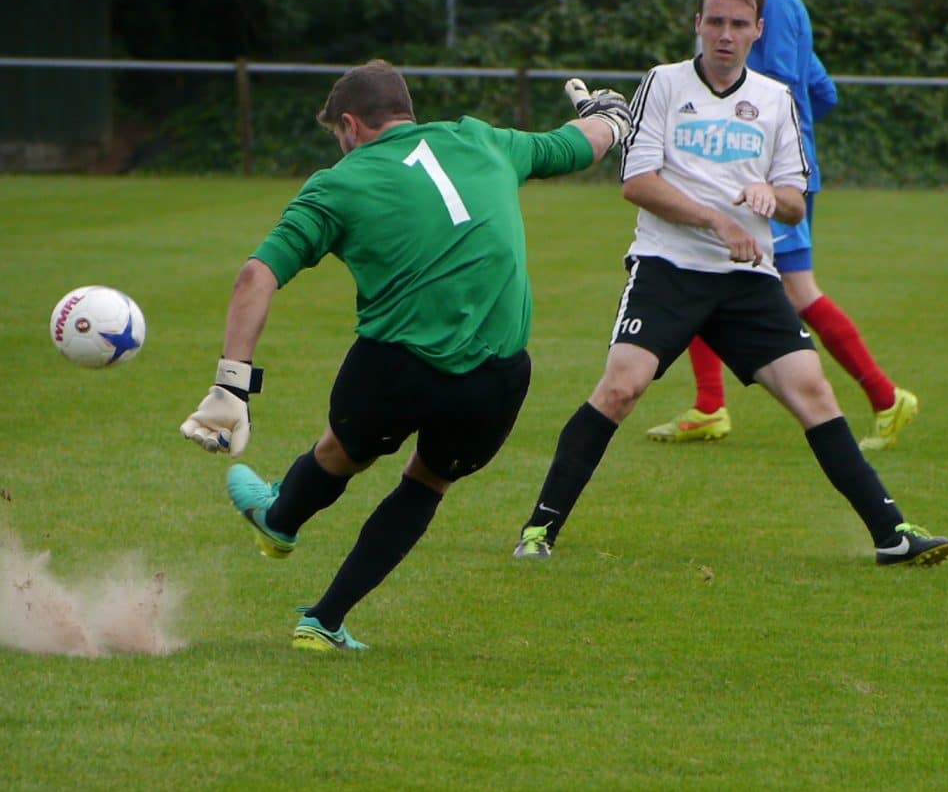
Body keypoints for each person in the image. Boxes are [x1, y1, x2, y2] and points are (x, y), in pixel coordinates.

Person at [180, 59, 631, 650]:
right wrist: (612, 117)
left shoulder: (337, 183)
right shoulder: (482, 139)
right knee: (428, 481)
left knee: (341, 450)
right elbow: (579, 144)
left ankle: (280, 520)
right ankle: (324, 620)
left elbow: (255, 276)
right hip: (495, 375)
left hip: (393, 368)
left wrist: (232, 385)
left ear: (350, 125)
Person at [512, 0, 948, 568]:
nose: (725, 34)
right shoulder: (663, 83)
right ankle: (539, 529)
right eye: (715, 21)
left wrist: (772, 195)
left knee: (814, 392)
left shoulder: (775, 99)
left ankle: (891, 534)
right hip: (668, 267)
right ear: (698, 24)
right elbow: (636, 183)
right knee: (621, 388)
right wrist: (717, 221)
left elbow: (794, 199)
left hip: (748, 279)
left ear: (757, 31)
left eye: (738, 24)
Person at [645, 0, 916, 451]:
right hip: (755, 168)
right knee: (703, 261)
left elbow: (785, 87)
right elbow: (824, 90)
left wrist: (775, 144)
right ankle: (709, 405)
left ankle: (885, 396)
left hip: (773, 178)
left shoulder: (781, 6)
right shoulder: (764, 9)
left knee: (793, 290)